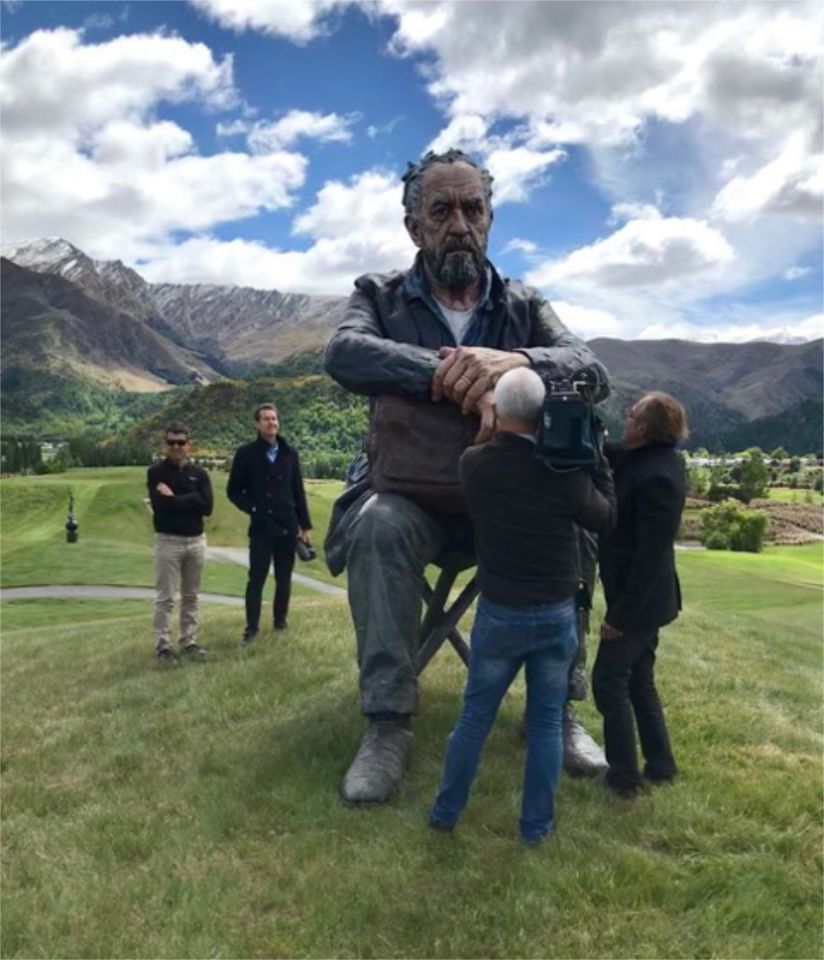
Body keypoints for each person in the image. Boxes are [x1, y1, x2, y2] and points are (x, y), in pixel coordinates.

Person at [323, 147, 611, 805]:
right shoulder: (378, 296)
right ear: (414, 227)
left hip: (509, 502)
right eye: (442, 210)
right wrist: (443, 371)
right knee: (377, 525)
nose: (460, 223)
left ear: (490, 218)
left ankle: (561, 711)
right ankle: (388, 725)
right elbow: (342, 353)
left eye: (473, 208)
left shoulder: (523, 304)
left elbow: (592, 371)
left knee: (573, 528)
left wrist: (512, 360)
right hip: (411, 496)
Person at [428, 368, 615, 844]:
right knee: (547, 725)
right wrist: (596, 459)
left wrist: (489, 421)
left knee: (474, 719)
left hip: (499, 613)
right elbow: (605, 516)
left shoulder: (475, 464)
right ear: (542, 415)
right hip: (554, 615)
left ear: (498, 411)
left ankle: (446, 814)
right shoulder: (565, 473)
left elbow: (484, 451)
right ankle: (535, 829)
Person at [594, 391, 688, 798]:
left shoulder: (660, 479)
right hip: (642, 597)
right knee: (639, 681)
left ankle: (624, 779)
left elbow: (650, 558)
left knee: (608, 681)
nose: (625, 419)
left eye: (630, 415)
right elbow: (614, 454)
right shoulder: (645, 459)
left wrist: (620, 617)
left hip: (640, 601)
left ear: (644, 428)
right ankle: (661, 764)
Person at [227, 403, 312, 645]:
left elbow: (298, 490)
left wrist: (305, 525)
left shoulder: (290, 453)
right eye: (266, 419)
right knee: (257, 579)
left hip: (287, 526)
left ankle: (280, 623)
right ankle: (251, 630)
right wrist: (253, 507)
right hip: (262, 527)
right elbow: (233, 491)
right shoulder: (246, 454)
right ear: (256, 424)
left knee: (284, 579)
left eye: (274, 419)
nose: (271, 423)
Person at [147, 422, 213, 663]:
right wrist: (192, 498)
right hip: (168, 541)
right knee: (165, 597)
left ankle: (189, 641)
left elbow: (207, 507)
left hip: (196, 541)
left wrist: (176, 498)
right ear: (166, 445)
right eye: (172, 442)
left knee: (191, 595)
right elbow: (161, 507)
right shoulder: (156, 473)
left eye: (181, 442)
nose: (176, 447)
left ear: (189, 445)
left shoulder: (200, 474)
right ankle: (163, 647)